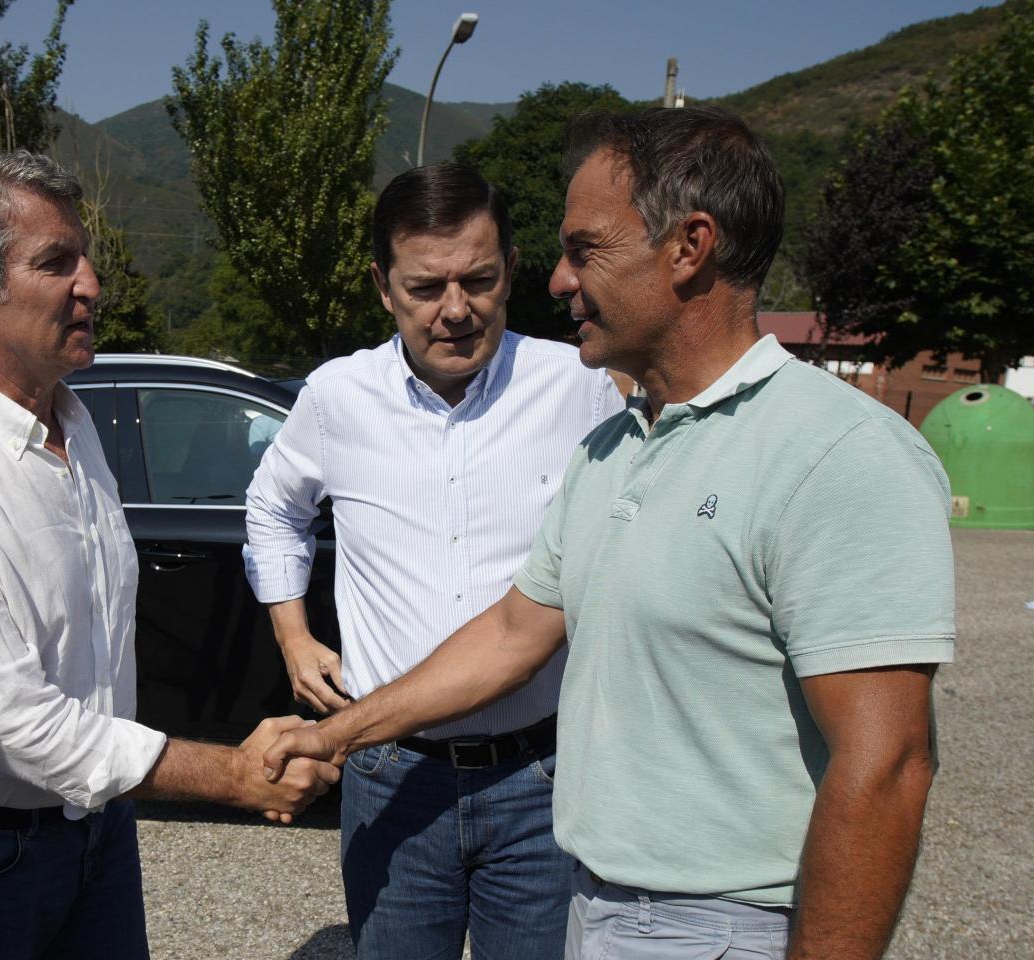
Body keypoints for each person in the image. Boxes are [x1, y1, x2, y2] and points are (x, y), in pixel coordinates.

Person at [265, 106, 954, 960]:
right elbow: (515, 633)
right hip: (600, 904)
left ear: (689, 247)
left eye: (585, 249)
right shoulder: (616, 447)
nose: (557, 279)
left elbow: (888, 766)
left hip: (729, 924)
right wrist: (333, 734)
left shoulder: (836, 452)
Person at [0, 150, 339, 960]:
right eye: (54, 263)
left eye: (86, 257)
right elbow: (21, 727)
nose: (91, 284)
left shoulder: (72, 424)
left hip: (95, 827)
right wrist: (234, 774)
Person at [243, 162, 623, 959]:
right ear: (383, 287)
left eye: (479, 280)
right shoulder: (337, 396)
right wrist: (292, 634)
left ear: (511, 271)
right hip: (391, 776)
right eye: (425, 288)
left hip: (542, 781)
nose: (455, 310)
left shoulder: (581, 390)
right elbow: (273, 508)